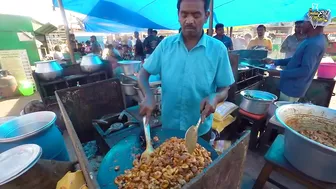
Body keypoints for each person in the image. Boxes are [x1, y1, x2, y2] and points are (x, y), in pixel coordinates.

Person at [138, 0, 235, 142]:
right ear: (178, 15)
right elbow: (143, 74)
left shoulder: (218, 49)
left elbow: (224, 88)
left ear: (206, 16)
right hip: (169, 127)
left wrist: (215, 97)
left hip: (200, 129)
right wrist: (148, 96)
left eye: (196, 15)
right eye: (184, 15)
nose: (189, 20)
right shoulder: (166, 45)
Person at [264, 11, 330, 102]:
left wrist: (278, 73)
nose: (302, 25)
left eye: (305, 22)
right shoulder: (311, 39)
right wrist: (275, 61)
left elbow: (305, 71)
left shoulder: (314, 44)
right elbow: (296, 59)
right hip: (289, 85)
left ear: (313, 24)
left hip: (293, 88)